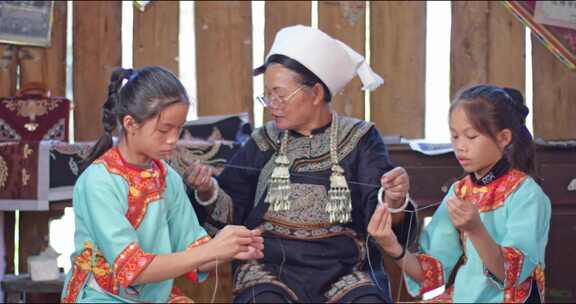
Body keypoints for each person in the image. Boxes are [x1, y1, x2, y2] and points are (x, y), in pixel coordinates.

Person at [186, 25, 417, 303]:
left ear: (316, 93)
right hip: (268, 270)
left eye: (280, 94)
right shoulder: (264, 139)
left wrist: (394, 200)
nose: (272, 104)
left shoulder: (360, 139)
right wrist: (208, 190)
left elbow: (379, 218)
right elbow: (231, 210)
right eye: (267, 95)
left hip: (345, 272)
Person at [60, 66, 264, 303]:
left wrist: (231, 249)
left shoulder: (167, 177)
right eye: (164, 129)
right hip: (101, 296)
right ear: (130, 123)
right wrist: (212, 250)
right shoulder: (99, 182)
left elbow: (194, 250)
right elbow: (132, 269)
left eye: (179, 129)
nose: (173, 139)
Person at [368, 84, 551, 303]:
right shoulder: (461, 191)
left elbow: (510, 275)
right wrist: (392, 246)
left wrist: (475, 229)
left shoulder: (527, 194)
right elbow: (433, 272)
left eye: (471, 136)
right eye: (455, 137)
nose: (460, 147)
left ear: (503, 138)